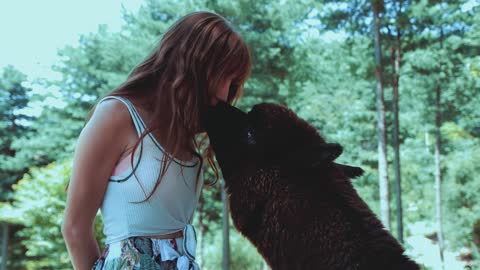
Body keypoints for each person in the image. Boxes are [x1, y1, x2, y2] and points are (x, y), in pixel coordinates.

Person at [61, 11, 252, 270]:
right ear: (192, 63)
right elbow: (74, 229)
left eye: (233, 83)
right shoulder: (117, 115)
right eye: (222, 76)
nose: (224, 93)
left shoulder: (184, 133)